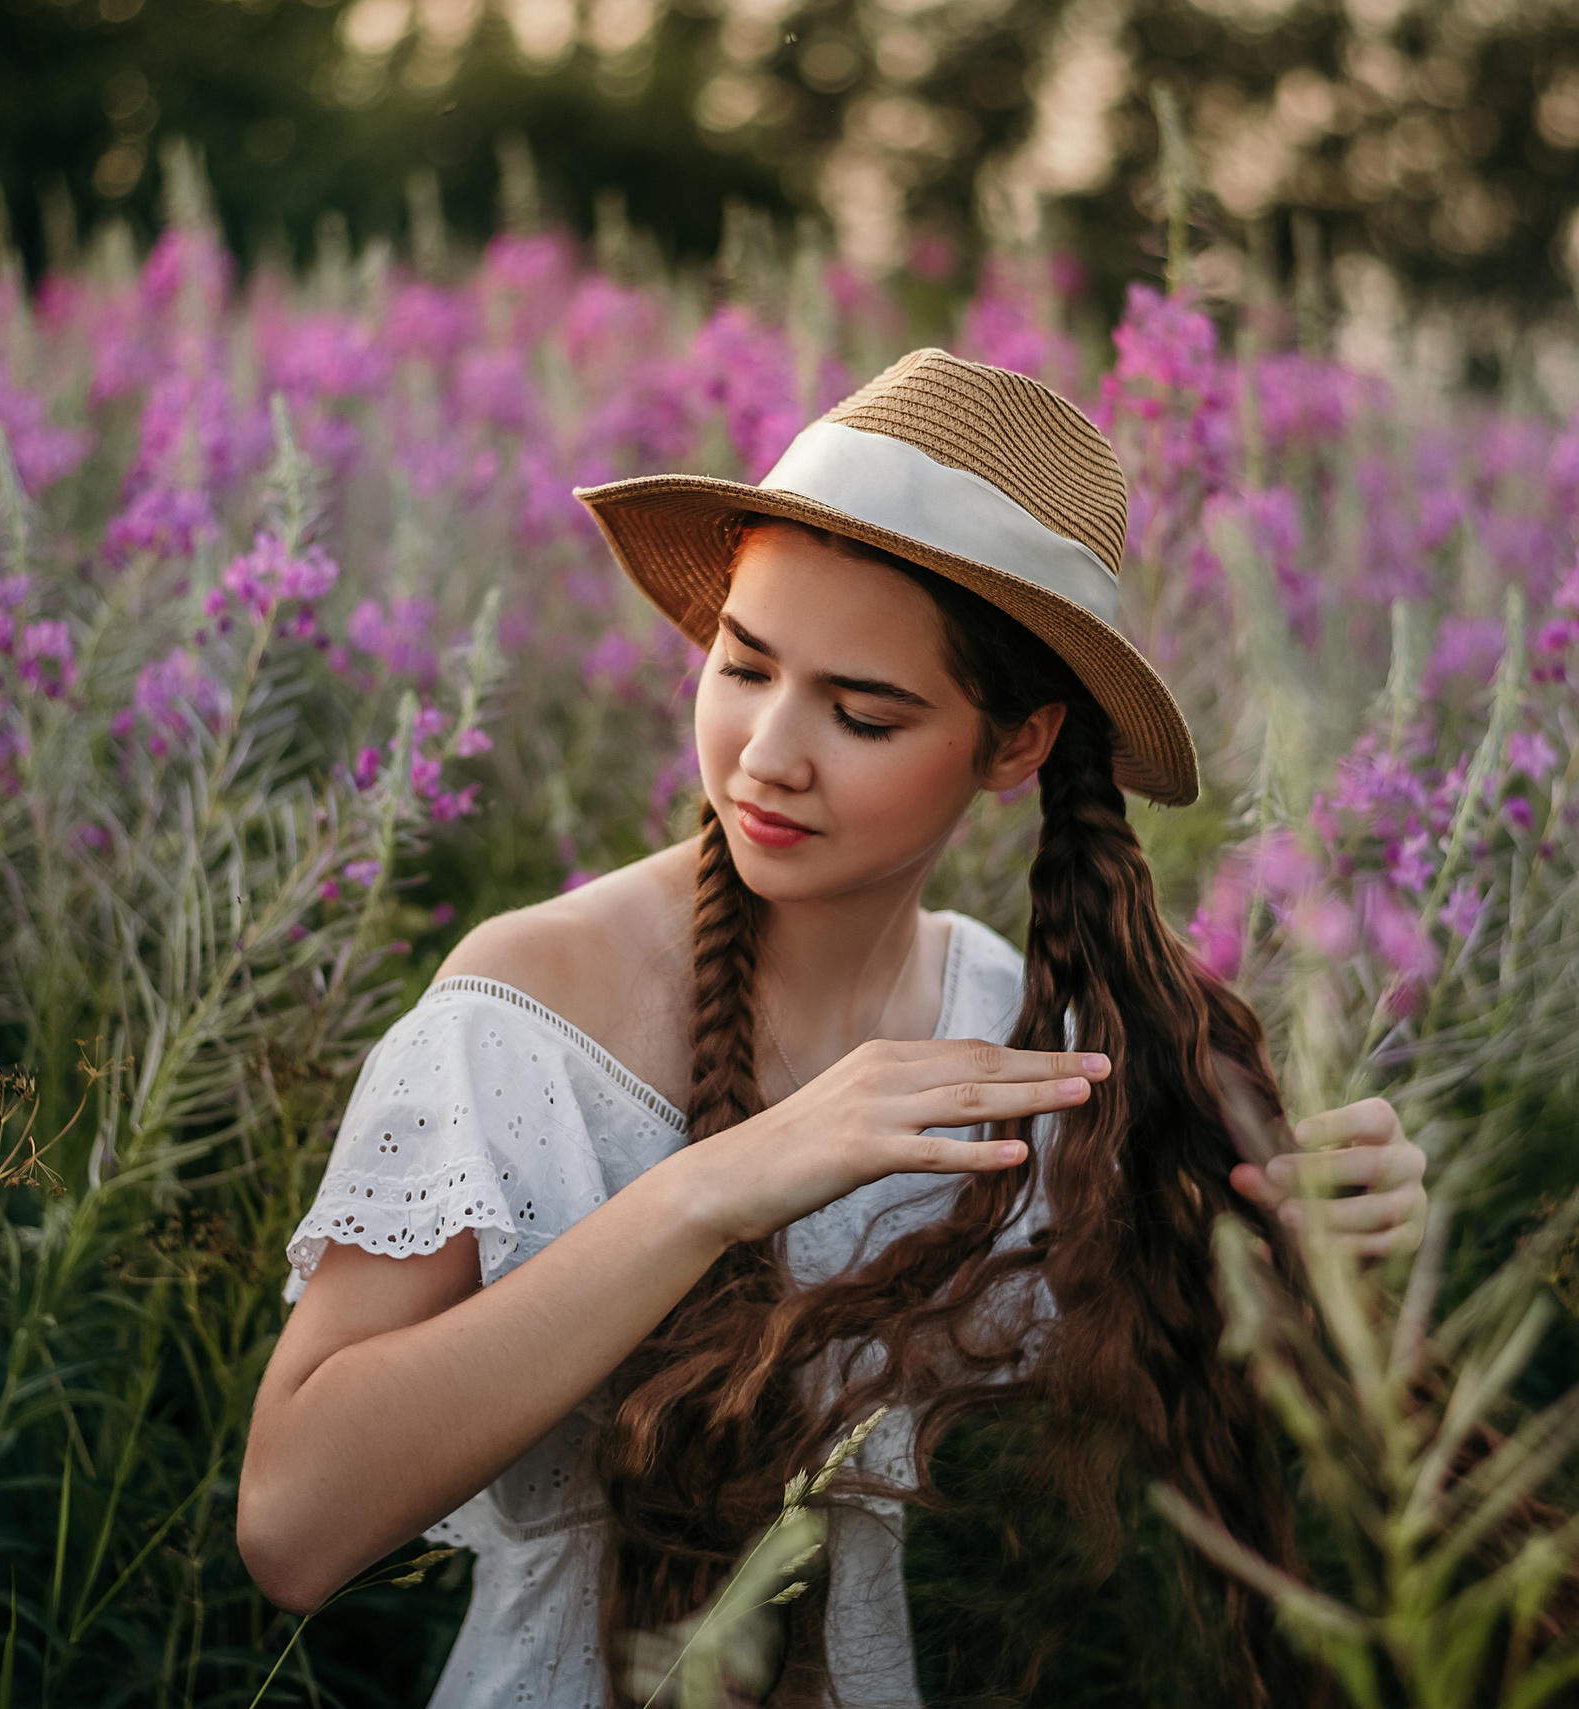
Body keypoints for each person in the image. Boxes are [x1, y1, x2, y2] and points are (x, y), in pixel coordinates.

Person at [235, 349, 1429, 1706]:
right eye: (743, 666)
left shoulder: (997, 1034)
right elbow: (291, 1529)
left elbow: (1145, 1412)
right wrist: (706, 1191)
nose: (766, 755)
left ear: (1017, 745)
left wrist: (1306, 1253)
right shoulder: (528, 1010)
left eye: (863, 714)